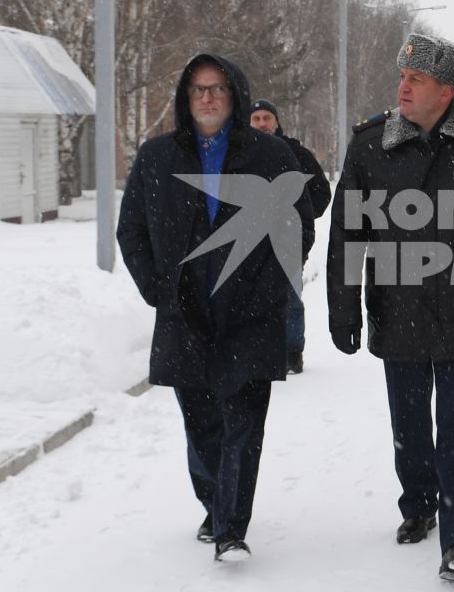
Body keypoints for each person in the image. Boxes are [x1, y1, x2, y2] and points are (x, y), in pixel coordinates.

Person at [327, 31, 454, 584]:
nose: (403, 88)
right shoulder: (371, 144)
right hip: (398, 310)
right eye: (402, 77)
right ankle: (418, 503)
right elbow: (348, 232)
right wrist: (343, 310)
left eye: (414, 80)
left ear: (447, 91)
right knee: (411, 423)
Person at [117, 54, 316, 562]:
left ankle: (231, 527)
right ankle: (214, 503)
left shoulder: (269, 157)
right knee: (202, 424)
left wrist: (270, 290)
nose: (207, 98)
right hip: (185, 315)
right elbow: (132, 229)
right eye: (198, 90)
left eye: (217, 89)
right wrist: (158, 291)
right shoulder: (158, 156)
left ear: (236, 96)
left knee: (244, 424)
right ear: (187, 99)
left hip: (250, 314)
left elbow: (299, 227)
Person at [249, 98, 333, 376]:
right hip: (247, 240)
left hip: (287, 239)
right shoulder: (238, 153)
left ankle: (291, 354)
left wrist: (300, 216)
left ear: (276, 121)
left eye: (266, 118)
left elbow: (321, 192)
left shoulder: (295, 153)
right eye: (256, 118)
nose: (262, 124)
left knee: (289, 297)